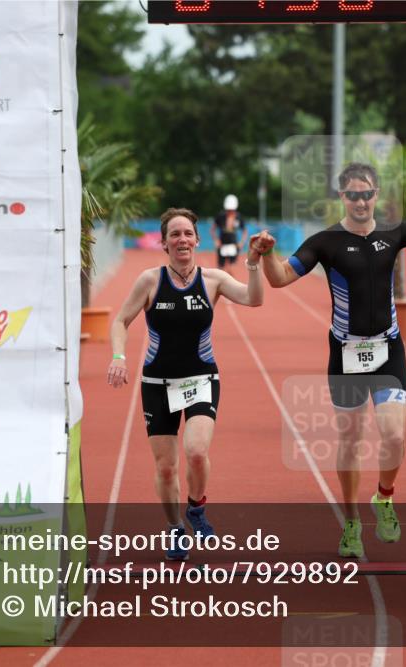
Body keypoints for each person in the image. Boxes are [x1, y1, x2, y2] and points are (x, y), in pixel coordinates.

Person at [251, 162, 406, 558]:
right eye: (352, 194)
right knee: (350, 441)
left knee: (393, 436)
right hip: (346, 352)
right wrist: (267, 255)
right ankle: (351, 522)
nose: (360, 201)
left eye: (366, 193)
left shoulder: (394, 232)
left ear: (377, 195)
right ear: (342, 196)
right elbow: (280, 278)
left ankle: (384, 498)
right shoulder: (325, 242)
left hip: (388, 349)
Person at [108, 207, 264, 560]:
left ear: (197, 239)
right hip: (157, 383)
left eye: (187, 233)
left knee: (195, 451)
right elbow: (120, 321)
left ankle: (196, 507)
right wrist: (119, 357)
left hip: (201, 378)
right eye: (174, 234)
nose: (181, 239)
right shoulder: (150, 280)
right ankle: (176, 527)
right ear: (163, 243)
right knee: (165, 467)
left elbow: (255, 299)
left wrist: (252, 262)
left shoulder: (214, 281)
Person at [214, 194, 247, 277]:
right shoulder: (221, 216)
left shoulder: (239, 217)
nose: (230, 211)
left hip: (233, 245)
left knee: (232, 269)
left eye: (231, 210)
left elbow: (244, 231)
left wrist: (241, 243)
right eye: (228, 209)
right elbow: (212, 229)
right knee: (220, 269)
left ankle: (231, 286)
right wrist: (216, 240)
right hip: (222, 244)